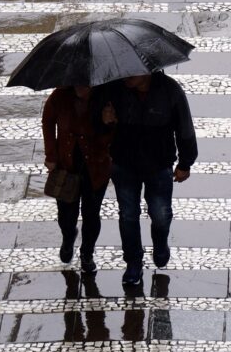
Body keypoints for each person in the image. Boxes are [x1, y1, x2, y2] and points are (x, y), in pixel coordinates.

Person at [99, 72, 198, 285]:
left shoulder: (170, 90)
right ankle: (133, 262)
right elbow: (98, 126)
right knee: (128, 215)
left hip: (158, 164)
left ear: (147, 70)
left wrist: (185, 163)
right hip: (125, 163)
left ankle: (160, 243)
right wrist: (105, 121)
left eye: (132, 73)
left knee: (161, 215)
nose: (127, 76)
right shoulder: (115, 89)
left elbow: (184, 128)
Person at [42, 85, 112, 274]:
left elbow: (115, 136)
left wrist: (109, 123)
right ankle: (68, 236)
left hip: (96, 168)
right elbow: (48, 121)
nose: (80, 87)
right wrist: (51, 155)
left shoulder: (106, 97)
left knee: (91, 214)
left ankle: (87, 254)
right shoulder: (60, 95)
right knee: (66, 215)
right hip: (66, 166)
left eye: (84, 83)